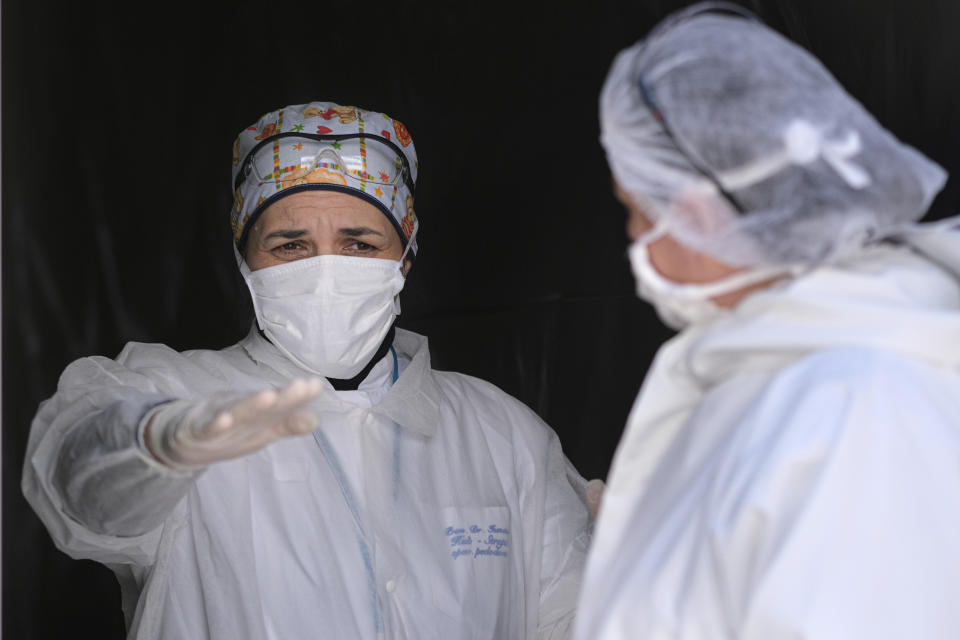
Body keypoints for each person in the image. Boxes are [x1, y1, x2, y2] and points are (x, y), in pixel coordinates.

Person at [22, 101, 595, 640]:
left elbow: (572, 619)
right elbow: (77, 487)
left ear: (407, 253)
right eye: (290, 246)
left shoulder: (500, 434)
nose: (324, 270)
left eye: (359, 243)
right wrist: (153, 444)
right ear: (245, 260)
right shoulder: (176, 395)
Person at [574, 4, 960, 639]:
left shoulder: (863, 411)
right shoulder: (775, 376)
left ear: (697, 213)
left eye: (636, 210)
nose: (635, 240)